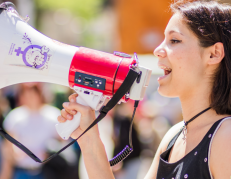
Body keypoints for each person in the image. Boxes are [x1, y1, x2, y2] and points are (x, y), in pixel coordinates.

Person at [57, 0, 231, 178]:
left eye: (174, 40)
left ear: (213, 53)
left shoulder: (226, 136)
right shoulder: (174, 136)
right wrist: (88, 137)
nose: (158, 50)